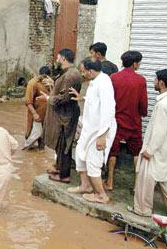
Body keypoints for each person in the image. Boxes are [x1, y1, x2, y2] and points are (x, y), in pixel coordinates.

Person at [129, 68, 167, 217]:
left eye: (155, 80)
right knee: (163, 178)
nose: (153, 82)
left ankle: (142, 209)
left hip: (157, 149)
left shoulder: (163, 104)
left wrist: (150, 150)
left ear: (161, 83)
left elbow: (159, 131)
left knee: (145, 180)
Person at [67, 59, 116, 204]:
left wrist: (102, 136)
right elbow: (95, 100)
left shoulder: (105, 83)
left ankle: (101, 195)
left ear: (90, 70)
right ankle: (85, 185)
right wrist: (82, 98)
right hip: (90, 128)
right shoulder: (94, 82)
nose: (82, 74)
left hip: (100, 130)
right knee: (80, 155)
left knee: (93, 161)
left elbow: (108, 110)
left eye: (83, 71)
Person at [105, 51, 148, 191]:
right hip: (134, 121)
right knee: (136, 152)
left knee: (113, 151)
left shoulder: (114, 77)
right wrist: (143, 113)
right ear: (135, 63)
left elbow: (109, 100)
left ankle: (110, 181)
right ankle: (137, 186)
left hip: (116, 120)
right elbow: (143, 103)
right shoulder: (141, 80)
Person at [40, 48, 82, 183]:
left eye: (58, 58)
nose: (56, 60)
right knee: (60, 144)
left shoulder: (71, 75)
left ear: (63, 58)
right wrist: (54, 85)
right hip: (63, 115)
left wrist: (48, 99)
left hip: (65, 117)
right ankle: (59, 168)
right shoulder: (68, 73)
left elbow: (65, 97)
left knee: (64, 145)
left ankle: (64, 175)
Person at [24, 66, 53, 150]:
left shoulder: (50, 83)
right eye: (43, 77)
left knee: (43, 137)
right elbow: (28, 102)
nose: (44, 79)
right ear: (39, 75)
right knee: (31, 136)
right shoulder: (32, 83)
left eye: (46, 77)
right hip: (35, 115)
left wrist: (51, 85)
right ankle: (27, 153)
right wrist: (34, 114)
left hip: (46, 115)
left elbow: (53, 97)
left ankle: (41, 152)